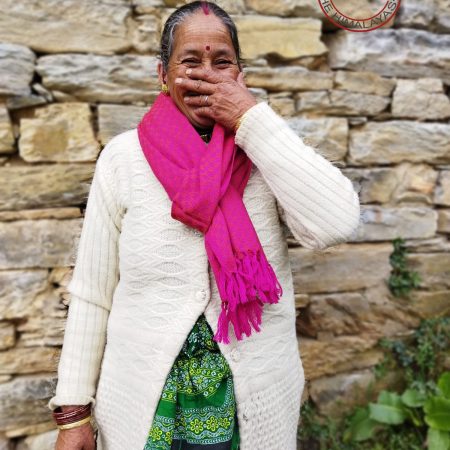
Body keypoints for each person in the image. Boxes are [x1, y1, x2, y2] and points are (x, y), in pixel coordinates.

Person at [49, 1, 361, 449]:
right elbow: (93, 294)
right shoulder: (123, 159)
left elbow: (336, 223)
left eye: (222, 62)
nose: (206, 74)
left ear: (240, 75)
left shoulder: (264, 151)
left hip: (252, 403)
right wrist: (73, 412)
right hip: (144, 403)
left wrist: (250, 119)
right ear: (162, 75)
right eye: (190, 61)